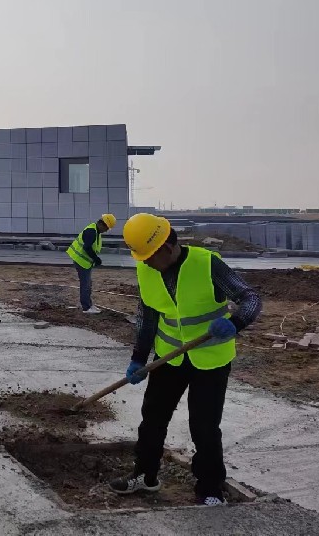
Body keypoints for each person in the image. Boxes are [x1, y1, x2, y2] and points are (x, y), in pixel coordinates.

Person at [109, 213, 262, 507]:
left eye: (148, 256)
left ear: (167, 247)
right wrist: (138, 358)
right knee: (152, 419)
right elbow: (148, 315)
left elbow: (251, 298)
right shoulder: (147, 270)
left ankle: (210, 489)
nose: (144, 263)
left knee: (204, 427)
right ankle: (146, 476)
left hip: (210, 359)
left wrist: (236, 322)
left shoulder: (207, 264)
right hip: (169, 357)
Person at [66, 213, 116, 314]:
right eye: (107, 228)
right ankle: (86, 308)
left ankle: (88, 304)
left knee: (88, 283)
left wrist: (94, 259)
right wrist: (95, 258)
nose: (106, 231)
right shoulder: (92, 232)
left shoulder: (95, 230)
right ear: (102, 224)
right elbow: (87, 247)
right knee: (86, 284)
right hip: (81, 261)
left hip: (84, 261)